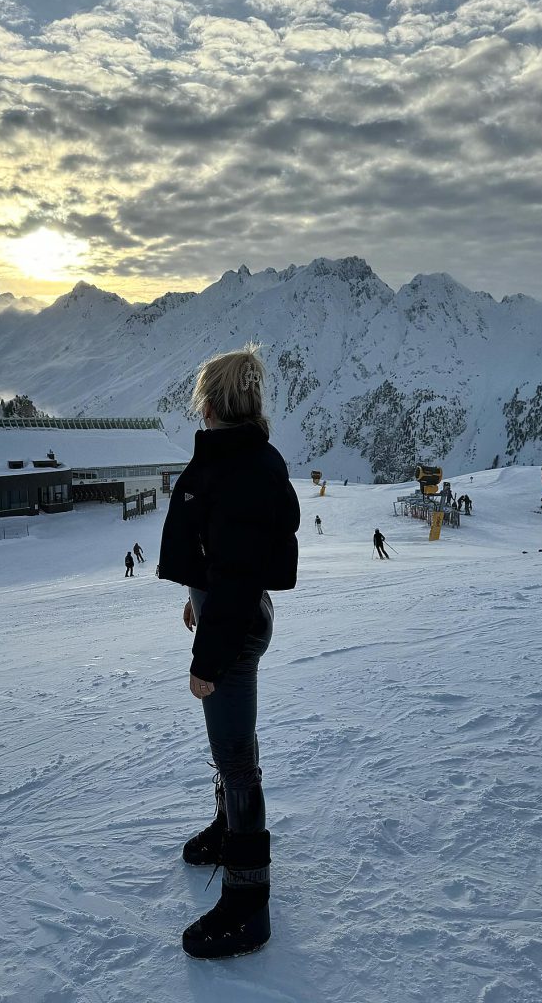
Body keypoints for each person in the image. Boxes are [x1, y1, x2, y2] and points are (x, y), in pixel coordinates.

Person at [157, 344, 300, 960]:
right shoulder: (242, 458)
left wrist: (207, 659)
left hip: (233, 631)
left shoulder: (240, 467)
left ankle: (249, 901)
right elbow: (222, 556)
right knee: (231, 747)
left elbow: (240, 575)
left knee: (236, 756)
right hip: (227, 617)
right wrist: (200, 598)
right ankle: (226, 830)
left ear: (211, 404)